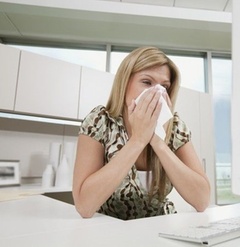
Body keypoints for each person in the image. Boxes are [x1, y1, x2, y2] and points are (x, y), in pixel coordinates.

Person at [72, 46, 210, 220]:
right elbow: (84, 206)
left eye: (164, 87)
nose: (157, 92)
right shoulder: (100, 121)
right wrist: (137, 140)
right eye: (147, 82)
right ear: (125, 82)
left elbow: (202, 200)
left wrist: (158, 142)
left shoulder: (174, 126)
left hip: (160, 227)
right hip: (109, 230)